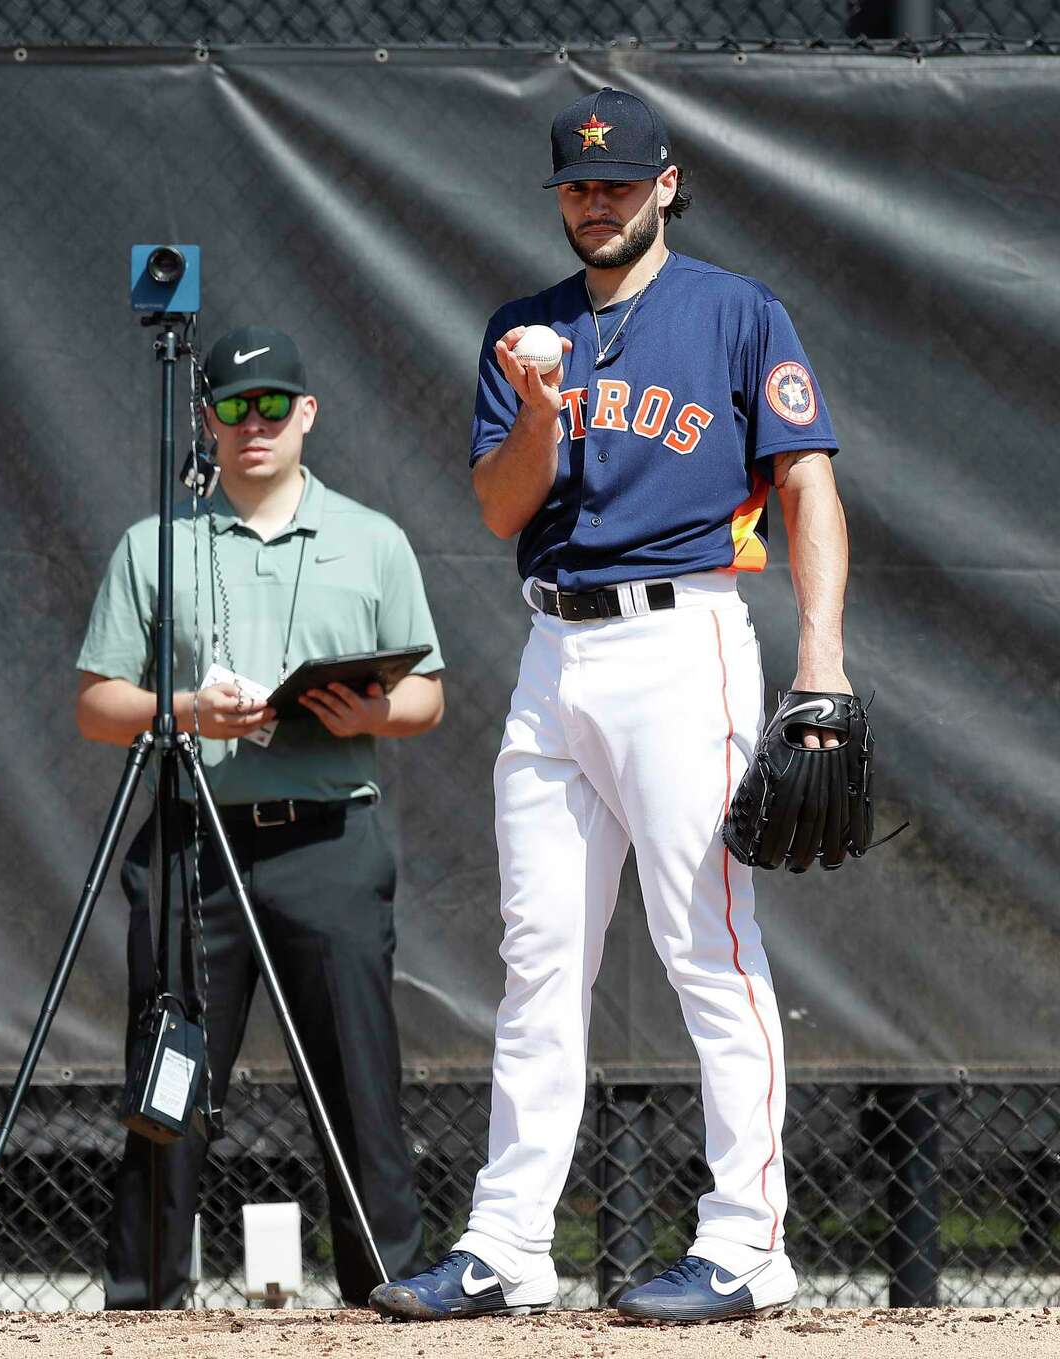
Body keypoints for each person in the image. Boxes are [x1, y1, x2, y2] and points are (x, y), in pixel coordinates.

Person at [370, 87, 848, 1325]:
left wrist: (825, 664)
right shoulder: (523, 330)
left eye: (620, 182)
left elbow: (807, 488)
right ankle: (510, 1244)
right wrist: (536, 411)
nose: (598, 200)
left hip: (685, 641)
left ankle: (747, 1245)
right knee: (537, 961)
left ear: (667, 184)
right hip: (554, 651)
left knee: (709, 949)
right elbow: (497, 510)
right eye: (580, 185)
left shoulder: (739, 313)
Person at [76, 325, 444, 1308]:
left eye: (273, 405)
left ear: (307, 415)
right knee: (170, 1080)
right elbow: (97, 704)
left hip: (328, 838)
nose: (254, 425)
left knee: (360, 1081)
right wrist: (188, 711)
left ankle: (391, 1289)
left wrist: (372, 710)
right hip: (196, 845)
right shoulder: (155, 543)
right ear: (206, 419)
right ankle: (146, 1297)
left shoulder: (373, 539)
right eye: (233, 408)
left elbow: (427, 695)